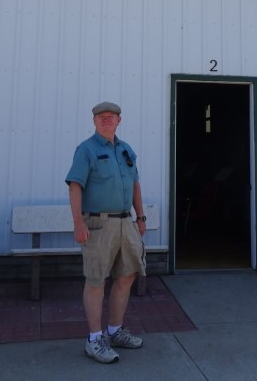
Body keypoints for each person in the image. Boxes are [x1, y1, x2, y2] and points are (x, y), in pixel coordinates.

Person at [65, 101, 147, 364]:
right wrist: (78, 222)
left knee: (127, 276)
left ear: (119, 120)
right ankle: (94, 339)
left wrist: (141, 216)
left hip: (126, 223)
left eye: (111, 116)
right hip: (98, 225)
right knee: (96, 279)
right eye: (101, 117)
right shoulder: (86, 150)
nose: (106, 120)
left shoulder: (126, 150)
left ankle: (114, 331)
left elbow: (134, 183)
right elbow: (75, 186)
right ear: (94, 121)